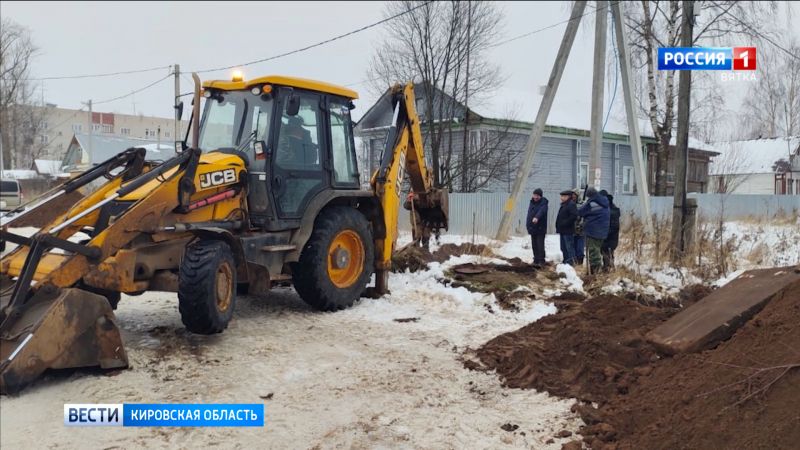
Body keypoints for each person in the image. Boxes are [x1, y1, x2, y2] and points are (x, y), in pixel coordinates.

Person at [578, 187, 610, 274]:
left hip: (593, 231)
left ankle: (594, 272)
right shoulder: (604, 202)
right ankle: (597, 270)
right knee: (597, 250)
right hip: (602, 231)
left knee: (593, 251)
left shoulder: (592, 203)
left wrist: (582, 204)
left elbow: (580, 211)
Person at [526, 188, 548, 268]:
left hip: (540, 228)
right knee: (534, 245)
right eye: (534, 195)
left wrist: (537, 217)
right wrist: (528, 225)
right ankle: (536, 260)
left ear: (540, 196)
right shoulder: (532, 202)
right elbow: (529, 214)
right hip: (532, 228)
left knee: (540, 245)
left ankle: (541, 261)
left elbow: (541, 211)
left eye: (537, 195)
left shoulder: (543, 203)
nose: (535, 197)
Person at [556, 189, 578, 265]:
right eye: (561, 196)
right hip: (562, 230)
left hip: (568, 230)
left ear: (568, 196)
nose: (561, 198)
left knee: (569, 247)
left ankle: (571, 262)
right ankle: (565, 260)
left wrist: (565, 223)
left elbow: (574, 216)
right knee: (563, 247)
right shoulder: (564, 204)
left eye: (563, 196)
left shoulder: (571, 204)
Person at [601, 190, 621, 271]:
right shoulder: (610, 208)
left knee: (608, 251)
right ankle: (607, 267)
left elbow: (614, 225)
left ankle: (609, 268)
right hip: (608, 235)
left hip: (610, 236)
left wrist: (606, 233)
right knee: (605, 251)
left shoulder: (612, 210)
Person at [571, 188, 586, 265]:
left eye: (574, 195)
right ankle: (574, 262)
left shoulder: (583, 204)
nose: (573, 197)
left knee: (580, 248)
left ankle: (579, 262)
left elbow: (584, 216)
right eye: (572, 195)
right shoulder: (570, 204)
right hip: (572, 229)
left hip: (581, 230)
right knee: (572, 246)